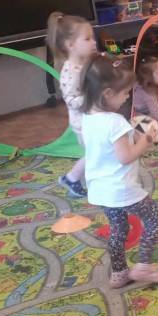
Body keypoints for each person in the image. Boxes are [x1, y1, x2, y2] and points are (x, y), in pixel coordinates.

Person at [80, 54, 158, 289]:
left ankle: (119, 273)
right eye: (125, 93)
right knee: (153, 218)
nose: (128, 96)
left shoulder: (87, 118)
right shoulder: (115, 122)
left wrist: (132, 135)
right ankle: (143, 265)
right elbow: (126, 156)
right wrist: (145, 139)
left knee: (119, 229)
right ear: (108, 93)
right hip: (122, 188)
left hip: (100, 190)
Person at [47, 11, 95, 197]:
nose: (94, 42)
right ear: (70, 45)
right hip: (83, 124)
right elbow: (72, 100)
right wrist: (93, 96)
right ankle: (72, 178)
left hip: (92, 119)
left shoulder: (84, 64)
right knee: (94, 154)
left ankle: (83, 180)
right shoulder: (70, 71)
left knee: (98, 152)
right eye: (88, 39)